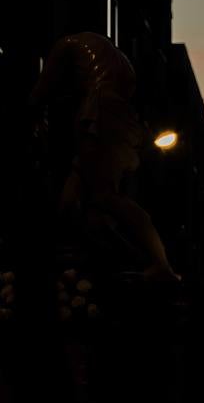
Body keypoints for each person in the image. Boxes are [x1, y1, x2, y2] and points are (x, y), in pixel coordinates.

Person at [29, 32, 179, 282]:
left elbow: (39, 96)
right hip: (112, 121)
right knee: (74, 202)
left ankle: (157, 262)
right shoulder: (111, 58)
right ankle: (131, 258)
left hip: (100, 118)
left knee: (102, 196)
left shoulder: (67, 48)